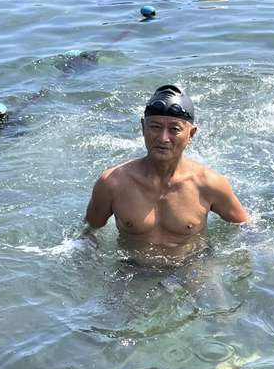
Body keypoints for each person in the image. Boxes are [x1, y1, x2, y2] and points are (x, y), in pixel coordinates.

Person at [84, 84, 249, 259]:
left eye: (174, 129)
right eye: (155, 127)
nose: (163, 138)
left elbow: (245, 226)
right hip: (131, 268)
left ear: (191, 134)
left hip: (192, 267)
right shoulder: (112, 183)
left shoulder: (209, 184)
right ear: (143, 127)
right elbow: (89, 232)